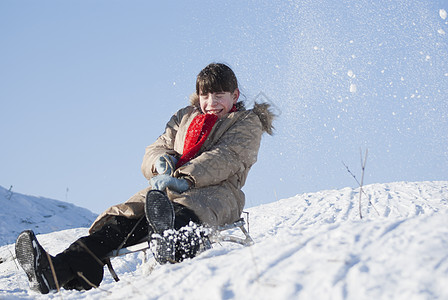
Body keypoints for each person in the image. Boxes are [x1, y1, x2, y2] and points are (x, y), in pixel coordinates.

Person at [15, 63, 275, 294]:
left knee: (182, 216)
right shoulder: (185, 117)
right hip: (164, 193)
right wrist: (161, 161)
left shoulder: (246, 122)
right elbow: (156, 147)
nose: (211, 102)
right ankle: (55, 271)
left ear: (235, 96)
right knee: (117, 224)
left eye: (219, 95)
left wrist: (185, 177)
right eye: (205, 95)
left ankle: (171, 244)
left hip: (216, 194)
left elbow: (227, 157)